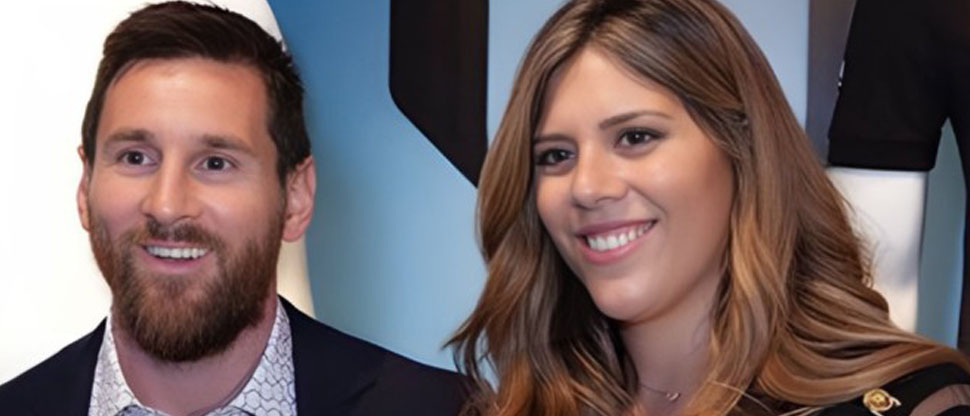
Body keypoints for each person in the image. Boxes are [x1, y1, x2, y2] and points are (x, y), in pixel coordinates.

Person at [449, 0, 970, 415]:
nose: (587, 187)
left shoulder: (912, 403)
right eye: (556, 156)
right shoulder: (516, 405)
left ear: (741, 148)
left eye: (635, 137)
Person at [0, 2, 466, 415]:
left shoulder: (445, 410)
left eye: (215, 163)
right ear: (86, 185)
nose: (167, 205)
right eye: (136, 158)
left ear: (296, 197)